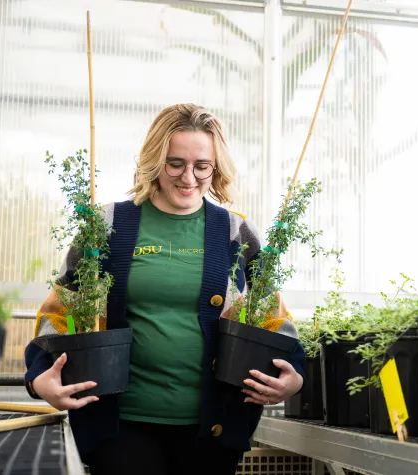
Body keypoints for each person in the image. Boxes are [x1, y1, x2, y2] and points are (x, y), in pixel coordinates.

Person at [24, 104, 306, 475]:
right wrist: (39, 376)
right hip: (120, 425)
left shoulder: (235, 232)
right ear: (155, 160)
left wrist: (295, 374)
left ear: (215, 168)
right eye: (175, 163)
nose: (189, 177)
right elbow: (61, 307)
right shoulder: (107, 226)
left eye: (201, 166)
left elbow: (270, 312)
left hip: (213, 430)